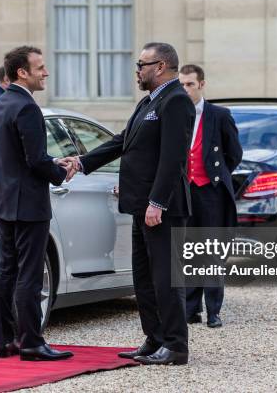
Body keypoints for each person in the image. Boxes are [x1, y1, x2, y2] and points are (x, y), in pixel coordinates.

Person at [62, 42, 195, 365]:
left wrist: (158, 202)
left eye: (142, 64)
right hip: (139, 206)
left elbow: (173, 158)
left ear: (160, 66)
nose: (137, 70)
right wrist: (82, 162)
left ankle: (175, 345)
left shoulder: (176, 101)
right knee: (144, 279)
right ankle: (154, 338)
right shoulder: (148, 102)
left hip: (161, 209)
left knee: (165, 279)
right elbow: (123, 141)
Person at [0, 45, 73, 361]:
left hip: (8, 202)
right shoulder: (27, 108)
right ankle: (32, 343)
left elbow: (19, 156)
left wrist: (53, 160)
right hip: (29, 204)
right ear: (22, 72)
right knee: (29, 273)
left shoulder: (1, 103)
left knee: (6, 270)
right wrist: (60, 171)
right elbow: (35, 161)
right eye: (40, 67)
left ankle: (6, 341)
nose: (45, 72)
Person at [179, 64, 243, 328]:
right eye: (180, 85)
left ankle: (213, 310)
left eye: (189, 84)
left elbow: (234, 154)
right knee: (188, 251)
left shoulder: (219, 115)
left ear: (201, 85)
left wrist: (216, 176)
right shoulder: (176, 114)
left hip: (211, 193)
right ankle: (190, 309)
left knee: (212, 252)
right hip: (185, 192)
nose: (184, 89)